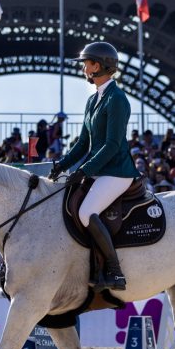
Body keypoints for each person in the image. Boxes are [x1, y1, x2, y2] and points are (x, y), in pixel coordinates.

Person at [49, 41, 137, 291]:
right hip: (100, 170)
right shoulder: (93, 101)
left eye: (86, 64)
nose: (83, 68)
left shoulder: (117, 99)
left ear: (97, 66)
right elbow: (83, 143)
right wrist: (62, 165)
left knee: (86, 212)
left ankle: (115, 271)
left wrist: (84, 170)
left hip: (117, 172)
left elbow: (111, 145)